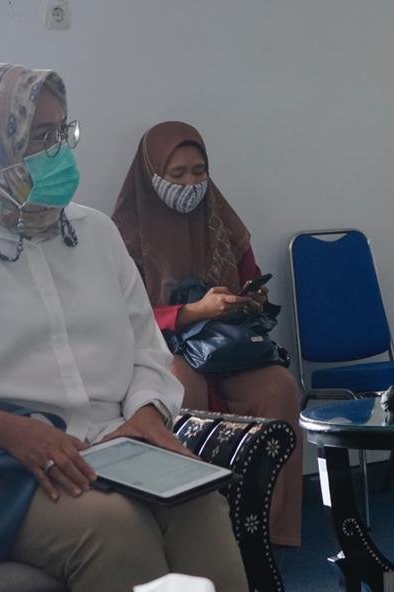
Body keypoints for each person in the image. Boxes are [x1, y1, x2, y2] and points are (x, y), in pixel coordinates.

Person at [0, 64, 249, 592]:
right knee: (114, 528)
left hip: (115, 444)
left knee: (199, 506)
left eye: (62, 132)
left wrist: (146, 413)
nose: (59, 153)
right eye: (39, 138)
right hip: (1, 464)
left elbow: (147, 348)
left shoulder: (95, 233)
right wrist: (3, 428)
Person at [112, 121, 304, 547]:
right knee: (178, 389)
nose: (190, 184)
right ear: (152, 174)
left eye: (198, 171)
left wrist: (248, 300)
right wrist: (192, 311)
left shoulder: (221, 221)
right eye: (177, 174)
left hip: (226, 346)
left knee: (280, 388)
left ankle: (267, 528)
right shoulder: (123, 235)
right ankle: (198, 531)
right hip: (164, 347)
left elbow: (250, 276)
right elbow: (123, 315)